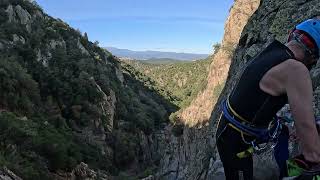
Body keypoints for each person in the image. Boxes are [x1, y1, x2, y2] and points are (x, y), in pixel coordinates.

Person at [215, 17, 320, 180]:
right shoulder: (296, 70)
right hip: (235, 140)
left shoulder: (272, 53)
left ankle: (285, 173)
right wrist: (314, 156)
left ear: (292, 35)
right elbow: (306, 129)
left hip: (230, 131)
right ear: (313, 58)